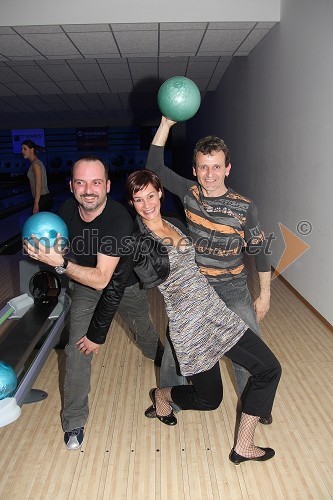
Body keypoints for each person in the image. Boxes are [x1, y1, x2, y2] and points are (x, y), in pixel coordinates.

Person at [81, 170, 281, 465]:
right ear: (131, 203)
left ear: (160, 193)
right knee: (209, 400)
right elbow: (113, 289)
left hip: (215, 313)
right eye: (138, 199)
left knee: (269, 369)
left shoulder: (175, 223)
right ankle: (162, 395)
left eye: (151, 195)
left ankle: (244, 445)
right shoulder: (137, 243)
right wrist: (96, 335)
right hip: (188, 327)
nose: (146, 204)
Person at [24, 156, 165, 451]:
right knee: (79, 347)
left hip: (122, 286)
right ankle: (74, 419)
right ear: (72, 185)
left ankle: (163, 359)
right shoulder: (65, 211)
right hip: (85, 286)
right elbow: (63, 255)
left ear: (107, 186)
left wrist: (60, 263)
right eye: (81, 182)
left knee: (144, 332)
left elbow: (103, 279)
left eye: (96, 182)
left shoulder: (118, 219)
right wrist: (41, 250)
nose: (89, 189)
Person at [145, 117, 273, 424]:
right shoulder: (190, 193)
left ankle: (253, 405)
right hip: (195, 290)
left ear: (228, 168)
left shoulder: (245, 207)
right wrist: (166, 124)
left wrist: (264, 296)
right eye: (203, 166)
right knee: (177, 351)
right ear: (194, 169)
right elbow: (155, 169)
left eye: (216, 167)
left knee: (248, 356)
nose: (210, 174)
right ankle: (167, 401)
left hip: (233, 290)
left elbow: (260, 250)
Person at [21, 140, 53, 213]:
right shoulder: (35, 163)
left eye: (25, 149)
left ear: (32, 150)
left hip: (42, 198)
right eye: (22, 149)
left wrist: (36, 203)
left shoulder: (35, 164)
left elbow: (38, 185)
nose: (22, 151)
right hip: (42, 198)